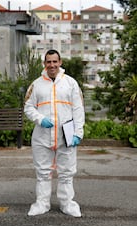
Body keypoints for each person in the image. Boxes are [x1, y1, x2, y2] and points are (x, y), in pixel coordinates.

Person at [24, 49, 85, 217]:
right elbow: (28, 107)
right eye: (48, 62)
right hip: (42, 135)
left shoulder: (71, 83)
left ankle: (67, 204)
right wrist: (39, 118)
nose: (52, 65)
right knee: (43, 171)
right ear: (44, 64)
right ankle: (42, 203)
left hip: (67, 133)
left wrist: (78, 133)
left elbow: (78, 109)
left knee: (66, 171)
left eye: (54, 61)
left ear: (60, 62)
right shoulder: (36, 84)